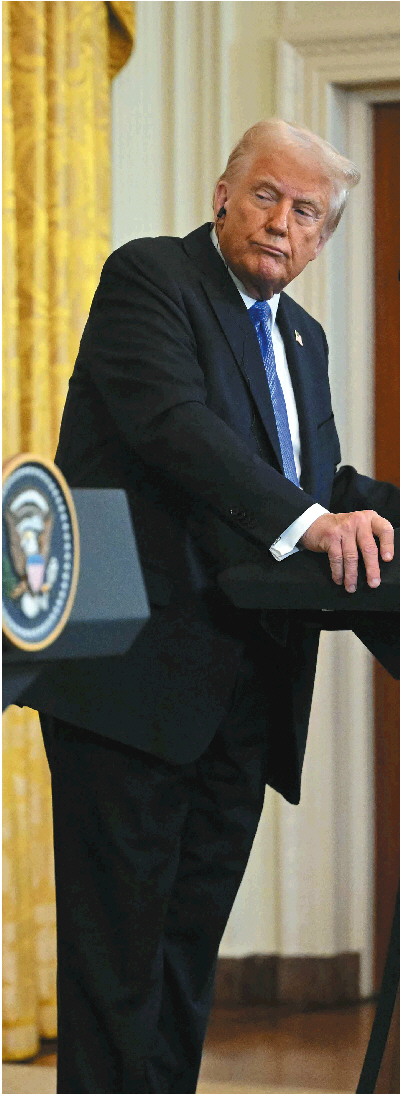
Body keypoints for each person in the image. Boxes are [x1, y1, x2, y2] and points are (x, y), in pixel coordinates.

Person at [40, 119, 398, 1093]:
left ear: (320, 239)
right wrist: (314, 522)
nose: (282, 222)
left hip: (245, 682)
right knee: (117, 968)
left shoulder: (302, 338)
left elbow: (311, 485)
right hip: (128, 675)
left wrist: (366, 518)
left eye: (307, 212)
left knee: (184, 957)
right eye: (267, 196)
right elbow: (177, 430)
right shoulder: (151, 278)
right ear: (222, 196)